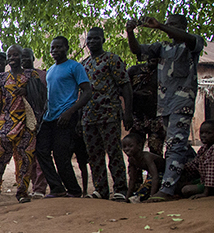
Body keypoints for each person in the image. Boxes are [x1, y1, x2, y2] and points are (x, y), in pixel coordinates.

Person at [126, 14, 205, 201]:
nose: (169, 28)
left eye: (173, 25)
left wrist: (160, 26)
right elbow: (137, 50)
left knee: (175, 147)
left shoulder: (192, 44)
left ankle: (167, 190)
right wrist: (130, 32)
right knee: (179, 146)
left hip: (181, 103)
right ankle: (192, 179)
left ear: (183, 26)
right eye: (168, 24)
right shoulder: (162, 47)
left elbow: (190, 40)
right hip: (164, 106)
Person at [0, 46, 42, 205]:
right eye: (10, 55)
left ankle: (22, 192)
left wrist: (27, 91)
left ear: (22, 56)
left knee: (25, 160)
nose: (13, 57)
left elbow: (40, 98)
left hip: (27, 124)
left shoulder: (31, 75)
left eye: (16, 54)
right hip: (6, 124)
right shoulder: (0, 78)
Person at [80, 27, 133, 202]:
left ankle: (120, 188)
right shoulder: (84, 64)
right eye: (89, 39)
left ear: (103, 40)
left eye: (96, 39)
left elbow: (125, 86)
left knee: (114, 151)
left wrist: (128, 113)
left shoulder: (112, 59)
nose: (92, 42)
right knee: (94, 154)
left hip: (109, 113)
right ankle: (101, 189)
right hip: (89, 115)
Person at [36, 36, 93, 198]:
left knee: (61, 154)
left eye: (58, 47)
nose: (55, 51)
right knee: (41, 149)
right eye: (52, 48)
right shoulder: (51, 70)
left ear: (67, 48)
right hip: (49, 117)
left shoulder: (74, 67)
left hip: (66, 116)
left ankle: (73, 190)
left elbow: (87, 92)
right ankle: (57, 187)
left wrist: (70, 111)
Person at [22, 47, 48, 198]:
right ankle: (29, 186)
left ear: (33, 57)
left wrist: (42, 117)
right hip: (21, 122)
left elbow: (46, 98)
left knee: (39, 154)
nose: (24, 60)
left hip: (41, 120)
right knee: (26, 156)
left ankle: (39, 188)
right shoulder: (16, 77)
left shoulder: (42, 76)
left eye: (27, 57)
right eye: (22, 57)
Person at [128, 59, 165, 156]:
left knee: (156, 150)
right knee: (134, 151)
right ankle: (135, 171)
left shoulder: (164, 71)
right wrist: (136, 94)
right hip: (137, 117)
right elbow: (123, 91)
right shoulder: (134, 70)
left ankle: (155, 171)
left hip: (157, 117)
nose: (152, 57)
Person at [122, 133, 165, 202]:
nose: (126, 149)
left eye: (130, 146)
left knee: (147, 186)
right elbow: (132, 179)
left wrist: (152, 197)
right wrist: (127, 197)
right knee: (142, 190)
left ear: (139, 146)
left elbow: (155, 176)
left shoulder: (147, 157)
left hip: (164, 174)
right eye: (124, 146)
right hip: (156, 176)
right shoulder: (132, 159)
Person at [179, 120, 214, 199]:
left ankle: (210, 192)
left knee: (186, 190)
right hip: (204, 181)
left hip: (210, 184)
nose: (204, 136)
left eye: (209, 133)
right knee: (181, 185)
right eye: (201, 133)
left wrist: (205, 193)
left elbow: (210, 173)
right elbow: (194, 165)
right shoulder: (203, 149)